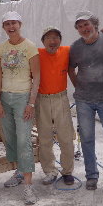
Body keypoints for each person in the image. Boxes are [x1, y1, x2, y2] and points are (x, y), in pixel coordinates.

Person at [69, 11, 103, 192]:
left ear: (95, 24)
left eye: (86, 24)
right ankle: (91, 176)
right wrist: (78, 86)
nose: (84, 28)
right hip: (83, 100)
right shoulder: (75, 47)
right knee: (87, 139)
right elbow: (70, 68)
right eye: (80, 26)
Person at [0, 11, 40, 205]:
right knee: (11, 139)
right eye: (7, 24)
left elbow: (36, 77)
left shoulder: (29, 47)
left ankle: (28, 186)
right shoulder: (0, 49)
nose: (11, 27)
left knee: (23, 140)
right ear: (3, 27)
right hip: (5, 98)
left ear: (20, 24)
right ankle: (19, 171)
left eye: (14, 23)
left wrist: (31, 103)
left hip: (23, 98)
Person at [36, 26, 76, 186]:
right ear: (43, 41)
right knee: (44, 138)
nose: (52, 41)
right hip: (42, 99)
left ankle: (67, 171)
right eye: (48, 38)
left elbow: (86, 46)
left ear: (60, 40)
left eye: (56, 38)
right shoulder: (36, 54)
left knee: (66, 137)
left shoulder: (67, 51)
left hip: (61, 98)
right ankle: (50, 171)